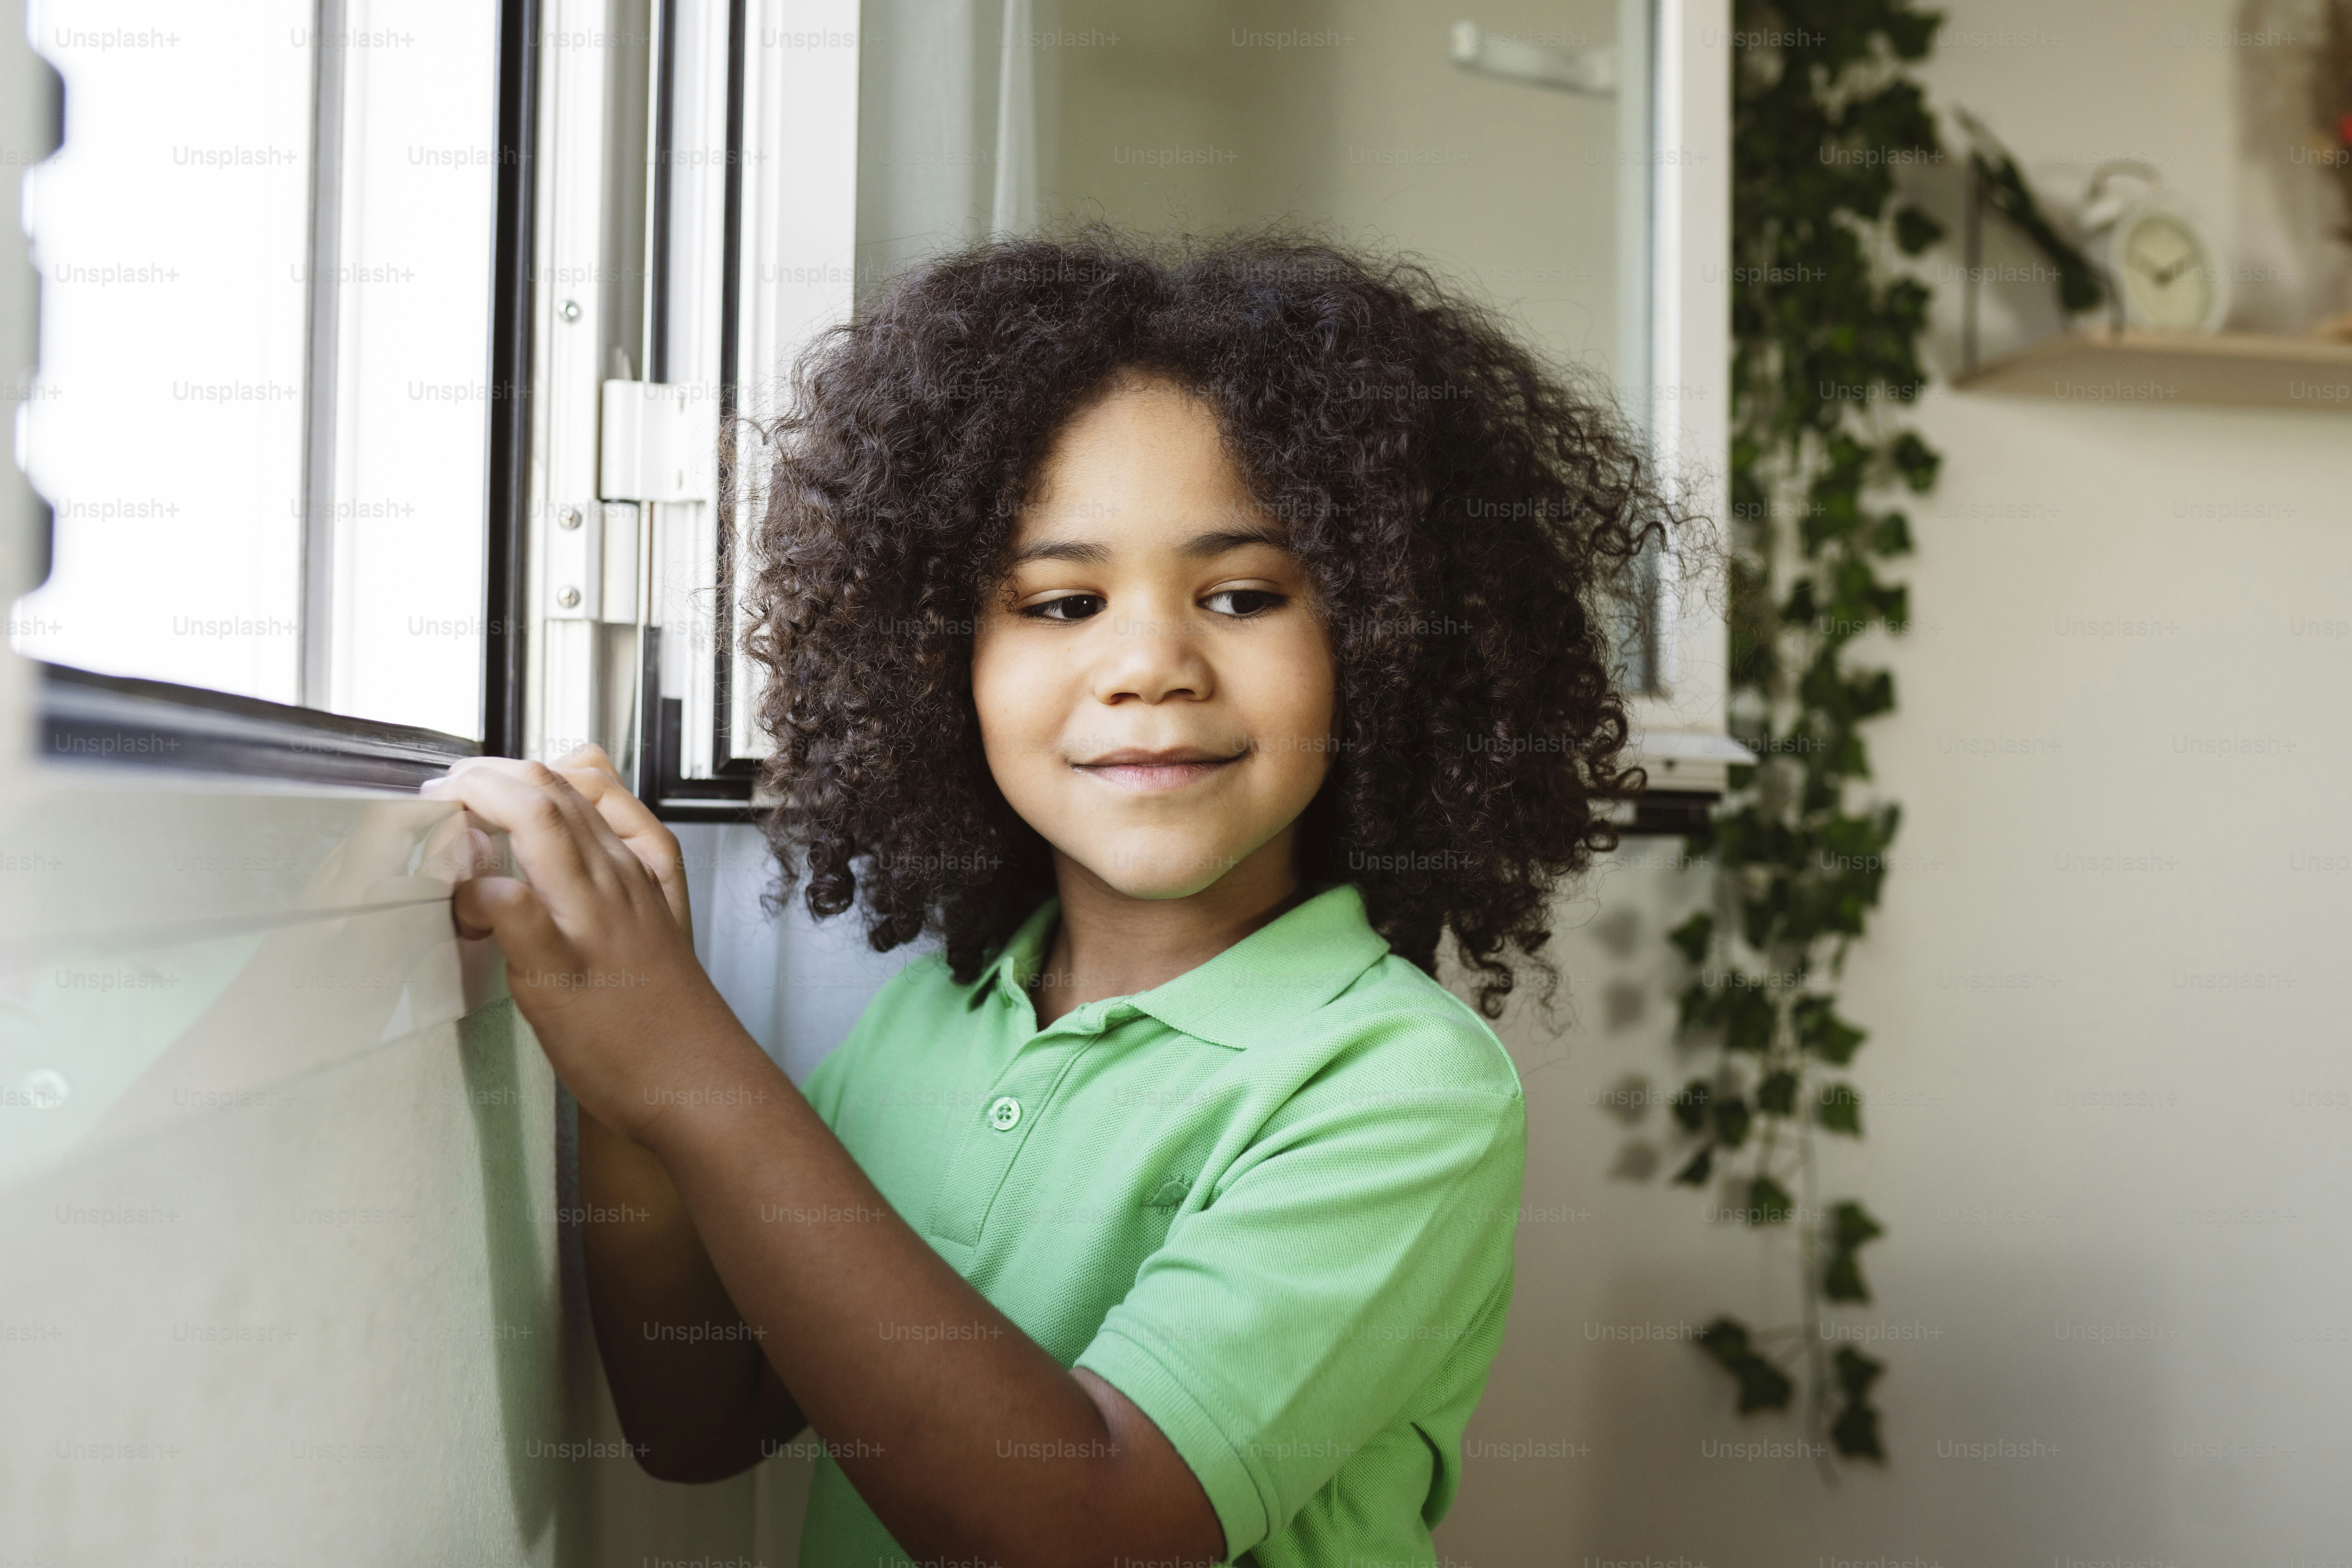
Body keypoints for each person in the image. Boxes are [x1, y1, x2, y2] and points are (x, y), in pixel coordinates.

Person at [429, 227, 1674, 1568]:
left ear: (1384, 641)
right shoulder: (934, 1022)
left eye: (1243, 594)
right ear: (934, 664)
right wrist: (625, 1078)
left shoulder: (1399, 1085)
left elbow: (1087, 1529)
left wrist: (688, 1067)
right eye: (1062, 601)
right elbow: (699, 1420)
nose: (1149, 662)